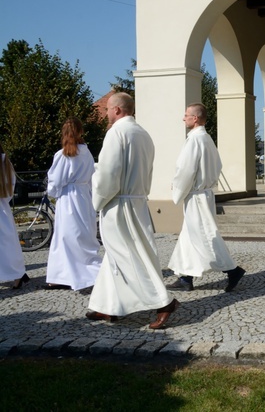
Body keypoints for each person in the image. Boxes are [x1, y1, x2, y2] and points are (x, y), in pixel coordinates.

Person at [86, 92, 178, 329]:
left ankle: (163, 302)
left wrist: (97, 198)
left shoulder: (116, 133)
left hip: (119, 204)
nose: (105, 113)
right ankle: (107, 306)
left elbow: (108, 174)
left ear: (117, 110)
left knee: (127, 257)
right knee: (117, 256)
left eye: (107, 109)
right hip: (137, 201)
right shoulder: (143, 134)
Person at [166, 103, 245, 293]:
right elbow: (217, 166)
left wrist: (177, 190)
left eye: (186, 115)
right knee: (189, 237)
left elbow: (185, 170)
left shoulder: (194, 140)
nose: (183, 118)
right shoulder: (207, 139)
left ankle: (232, 270)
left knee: (205, 236)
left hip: (196, 196)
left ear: (195, 118)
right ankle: (186, 277)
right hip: (204, 193)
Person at [44, 118, 102, 291]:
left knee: (66, 236)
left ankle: (89, 274)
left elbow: (56, 180)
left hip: (68, 197)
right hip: (84, 196)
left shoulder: (63, 155)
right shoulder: (87, 153)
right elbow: (92, 175)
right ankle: (60, 276)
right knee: (80, 235)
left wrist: (52, 193)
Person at [0, 142, 28, 289]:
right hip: (3, 207)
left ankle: (16, 274)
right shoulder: (6, 163)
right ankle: (17, 275)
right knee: (8, 245)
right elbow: (11, 187)